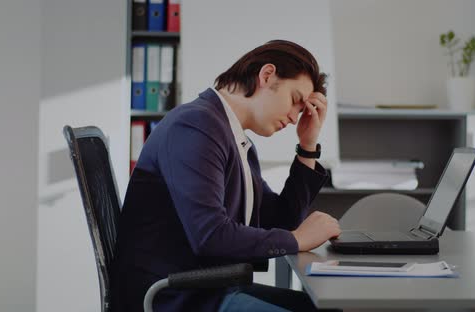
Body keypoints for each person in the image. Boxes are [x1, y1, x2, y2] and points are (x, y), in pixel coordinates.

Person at [110, 39, 342, 312]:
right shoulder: (196, 126)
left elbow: (281, 220)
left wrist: (307, 146)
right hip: (175, 298)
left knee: (331, 308)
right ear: (267, 76)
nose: (294, 118)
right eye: (294, 101)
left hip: (205, 291)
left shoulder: (233, 137)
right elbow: (211, 235)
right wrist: (298, 239)